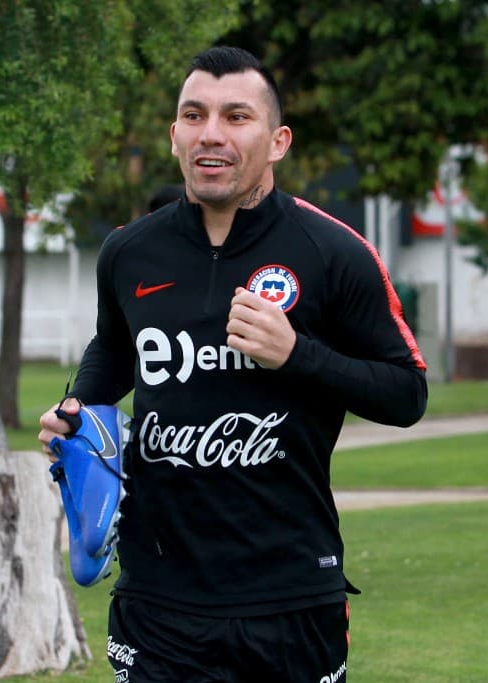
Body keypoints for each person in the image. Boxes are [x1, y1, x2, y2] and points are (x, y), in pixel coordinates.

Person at [39, 45, 427, 682]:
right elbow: (113, 350)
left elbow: (407, 394)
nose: (211, 134)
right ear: (173, 136)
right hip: (157, 597)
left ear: (277, 141)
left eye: (235, 116)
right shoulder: (129, 253)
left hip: (290, 597)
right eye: (194, 116)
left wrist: (296, 354)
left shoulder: (333, 252)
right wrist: (79, 412)